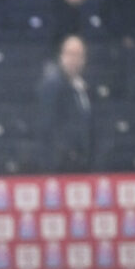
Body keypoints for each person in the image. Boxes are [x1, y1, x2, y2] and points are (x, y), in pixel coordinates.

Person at [39, 34, 97, 173]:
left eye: (78, 55)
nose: (74, 60)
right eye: (70, 54)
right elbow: (49, 124)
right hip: (61, 165)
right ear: (61, 56)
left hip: (83, 163)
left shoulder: (85, 88)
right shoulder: (52, 86)